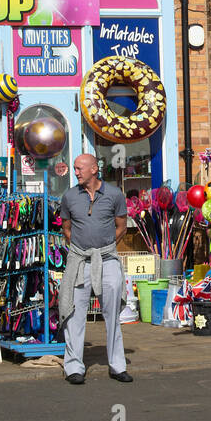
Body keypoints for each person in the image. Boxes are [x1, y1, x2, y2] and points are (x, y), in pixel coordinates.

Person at [58, 154, 131, 384]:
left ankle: (117, 366)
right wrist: (81, 249)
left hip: (107, 259)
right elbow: (66, 228)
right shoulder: (69, 196)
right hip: (79, 260)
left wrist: (105, 248)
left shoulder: (114, 194)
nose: (76, 172)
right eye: (75, 168)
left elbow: (122, 227)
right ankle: (73, 368)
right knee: (74, 314)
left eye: (80, 168)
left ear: (93, 169)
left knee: (112, 314)